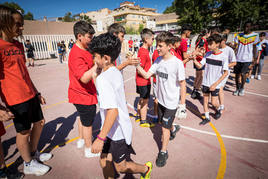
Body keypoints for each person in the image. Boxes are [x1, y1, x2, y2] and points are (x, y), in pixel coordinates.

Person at [89, 33, 152, 179]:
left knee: (121, 167)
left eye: (95, 56)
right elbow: (110, 80)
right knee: (104, 160)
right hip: (111, 129)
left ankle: (145, 169)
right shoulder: (112, 71)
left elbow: (113, 111)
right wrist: (96, 78)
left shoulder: (104, 78)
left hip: (118, 132)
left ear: (106, 58)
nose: (93, 60)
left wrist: (100, 138)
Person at [0, 5, 52, 176]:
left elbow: (25, 73)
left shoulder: (18, 45)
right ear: (4, 23)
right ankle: (28, 164)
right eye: (18, 24)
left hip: (29, 94)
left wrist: (36, 92)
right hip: (15, 98)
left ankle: (33, 154)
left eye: (22, 24)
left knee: (40, 122)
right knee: (24, 132)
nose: (21, 28)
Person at [136, 31, 186, 167]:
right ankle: (173, 129)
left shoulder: (177, 63)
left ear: (169, 46)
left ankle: (163, 152)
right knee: (164, 125)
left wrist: (182, 104)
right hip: (160, 100)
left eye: (160, 45)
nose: (157, 48)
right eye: (157, 45)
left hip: (171, 103)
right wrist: (136, 65)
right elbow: (147, 75)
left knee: (164, 129)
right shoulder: (158, 60)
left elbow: (182, 83)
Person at [68, 21, 99, 158]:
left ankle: (81, 140)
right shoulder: (76, 54)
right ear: (79, 36)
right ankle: (88, 149)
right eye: (89, 37)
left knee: (82, 118)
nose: (91, 40)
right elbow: (85, 78)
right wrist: (97, 65)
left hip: (84, 94)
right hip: (82, 95)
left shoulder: (85, 49)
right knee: (88, 124)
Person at [192, 34, 228, 125]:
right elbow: (200, 66)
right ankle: (207, 117)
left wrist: (215, 84)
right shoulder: (207, 54)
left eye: (210, 44)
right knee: (205, 101)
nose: (208, 46)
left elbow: (226, 73)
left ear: (217, 44)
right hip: (206, 82)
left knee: (214, 102)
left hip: (215, 84)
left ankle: (219, 109)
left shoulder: (223, 56)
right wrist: (194, 59)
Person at [233, 21, 259, 96]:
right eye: (245, 26)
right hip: (238, 58)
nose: (246, 28)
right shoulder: (238, 35)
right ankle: (237, 88)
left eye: (248, 26)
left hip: (247, 59)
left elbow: (255, 48)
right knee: (237, 74)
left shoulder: (255, 35)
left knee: (243, 73)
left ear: (251, 27)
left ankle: (242, 88)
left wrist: (255, 59)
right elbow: (235, 47)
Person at [136, 28, 154, 128]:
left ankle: (139, 116)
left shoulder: (144, 50)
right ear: (146, 39)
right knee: (145, 101)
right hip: (143, 81)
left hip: (141, 80)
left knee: (141, 98)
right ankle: (143, 120)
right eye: (152, 39)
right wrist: (150, 74)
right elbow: (140, 69)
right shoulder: (143, 52)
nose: (153, 41)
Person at [218, 34, 237, 112]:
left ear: (224, 40)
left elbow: (234, 62)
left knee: (220, 88)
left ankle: (221, 105)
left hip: (224, 72)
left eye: (220, 41)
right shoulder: (216, 48)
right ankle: (215, 102)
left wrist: (225, 66)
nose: (218, 43)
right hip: (216, 72)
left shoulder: (229, 50)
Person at [191, 29, 210, 99]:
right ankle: (195, 92)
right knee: (200, 77)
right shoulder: (202, 41)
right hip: (199, 60)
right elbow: (196, 51)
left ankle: (195, 91)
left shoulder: (202, 40)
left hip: (198, 60)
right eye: (209, 33)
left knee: (198, 76)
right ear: (207, 34)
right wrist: (202, 54)